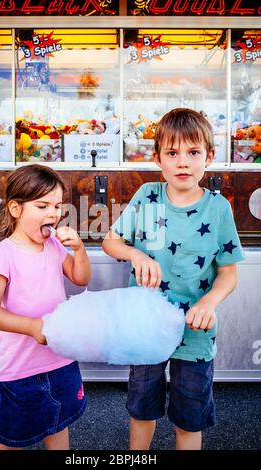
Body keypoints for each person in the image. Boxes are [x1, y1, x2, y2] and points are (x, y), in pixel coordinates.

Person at [102, 108, 245, 450]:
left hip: (195, 332)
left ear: (209, 157)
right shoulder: (149, 198)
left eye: (193, 152)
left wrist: (209, 302)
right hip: (147, 327)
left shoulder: (217, 207)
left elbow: (228, 272)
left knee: (189, 419)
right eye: (172, 153)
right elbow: (111, 241)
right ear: (158, 159)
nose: (183, 162)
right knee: (142, 411)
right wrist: (135, 253)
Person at [0, 164, 91, 450]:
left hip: (62, 360)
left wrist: (79, 249)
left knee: (59, 426)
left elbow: (80, 278)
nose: (53, 214)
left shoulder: (53, 244)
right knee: (13, 440)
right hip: (22, 370)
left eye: (57, 206)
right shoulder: (1, 255)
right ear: (16, 209)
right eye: (42, 205)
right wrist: (32, 327)